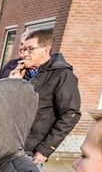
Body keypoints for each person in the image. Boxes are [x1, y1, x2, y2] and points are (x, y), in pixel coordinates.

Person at [7, 29, 80, 164]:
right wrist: (12, 84)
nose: (25, 54)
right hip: (9, 144)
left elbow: (70, 114)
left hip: (30, 151)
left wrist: (45, 149)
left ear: (46, 50)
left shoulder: (62, 75)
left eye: (30, 49)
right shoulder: (21, 72)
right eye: (24, 49)